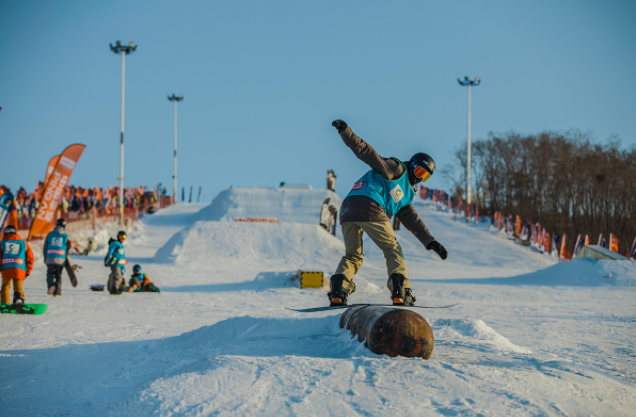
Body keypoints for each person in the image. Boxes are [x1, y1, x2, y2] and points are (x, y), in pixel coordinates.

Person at [327, 119, 448, 306]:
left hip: (348, 208)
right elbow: (368, 153)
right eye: (417, 169)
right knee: (393, 249)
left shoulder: (407, 194)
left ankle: (338, 291)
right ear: (411, 164)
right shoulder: (396, 169)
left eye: (424, 175)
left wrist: (429, 241)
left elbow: (412, 219)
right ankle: (401, 292)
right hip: (370, 205)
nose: (418, 176)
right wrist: (346, 132)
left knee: (353, 255)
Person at [0, 225, 34, 304]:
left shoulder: (2, 244)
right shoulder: (24, 244)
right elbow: (30, 258)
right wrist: (28, 270)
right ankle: (19, 299)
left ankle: (5, 303)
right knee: (18, 287)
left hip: (6, 268)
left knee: (5, 286)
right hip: (19, 268)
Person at [43, 218, 71, 296]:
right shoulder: (65, 235)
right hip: (61, 258)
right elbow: (68, 248)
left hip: (50, 257)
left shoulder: (50, 234)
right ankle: (57, 292)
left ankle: (51, 285)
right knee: (59, 274)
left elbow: (45, 246)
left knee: (50, 273)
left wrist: (45, 257)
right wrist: (67, 258)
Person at [105, 230, 127, 294]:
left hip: (120, 264)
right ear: (118, 237)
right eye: (121, 237)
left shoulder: (120, 245)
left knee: (118, 276)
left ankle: (112, 287)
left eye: (124, 237)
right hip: (115, 263)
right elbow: (110, 252)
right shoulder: (115, 244)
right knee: (117, 276)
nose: (122, 239)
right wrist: (107, 258)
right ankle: (114, 288)